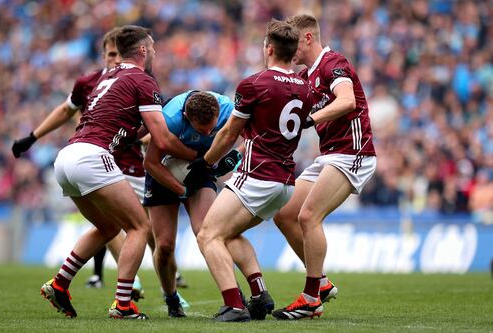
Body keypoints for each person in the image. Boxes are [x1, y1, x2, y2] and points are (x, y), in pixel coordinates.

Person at [39, 25, 196, 319]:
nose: (154, 51)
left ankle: (59, 283)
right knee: (140, 227)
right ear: (142, 50)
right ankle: (123, 304)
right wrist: (197, 156)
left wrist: (135, 132)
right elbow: (161, 138)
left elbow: (124, 125)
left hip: (66, 159)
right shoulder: (143, 80)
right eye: (152, 47)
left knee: (108, 227)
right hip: (93, 157)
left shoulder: (106, 77)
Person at [188, 19, 311, 322]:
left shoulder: (254, 83)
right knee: (229, 233)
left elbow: (230, 133)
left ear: (268, 48)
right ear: (294, 52)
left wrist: (206, 164)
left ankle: (233, 304)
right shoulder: (306, 88)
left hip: (257, 175)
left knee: (208, 235)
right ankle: (259, 295)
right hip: (285, 182)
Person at [11, 28, 148, 298]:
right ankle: (128, 296)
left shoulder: (134, 78)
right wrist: (33, 136)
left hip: (123, 162)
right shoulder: (91, 82)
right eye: (110, 54)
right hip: (98, 160)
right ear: (103, 54)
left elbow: (150, 124)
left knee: (115, 227)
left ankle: (62, 283)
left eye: (119, 54)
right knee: (138, 227)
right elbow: (66, 110)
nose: (115, 59)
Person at [272, 14, 377, 320]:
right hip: (329, 155)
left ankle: (310, 298)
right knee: (285, 214)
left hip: (353, 152)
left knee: (308, 216)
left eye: (294, 40)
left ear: (308, 38)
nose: (290, 49)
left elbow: (347, 101)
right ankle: (322, 282)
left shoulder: (334, 63)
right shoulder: (306, 77)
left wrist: (311, 119)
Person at [143, 90, 257, 318]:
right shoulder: (170, 118)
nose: (207, 133)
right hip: (164, 174)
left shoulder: (227, 109)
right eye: (200, 129)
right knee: (164, 246)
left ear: (217, 115)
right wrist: (182, 190)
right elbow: (150, 162)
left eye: (211, 128)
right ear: (186, 116)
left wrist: (236, 153)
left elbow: (253, 137)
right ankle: (172, 297)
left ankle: (234, 296)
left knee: (210, 234)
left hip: (202, 170)